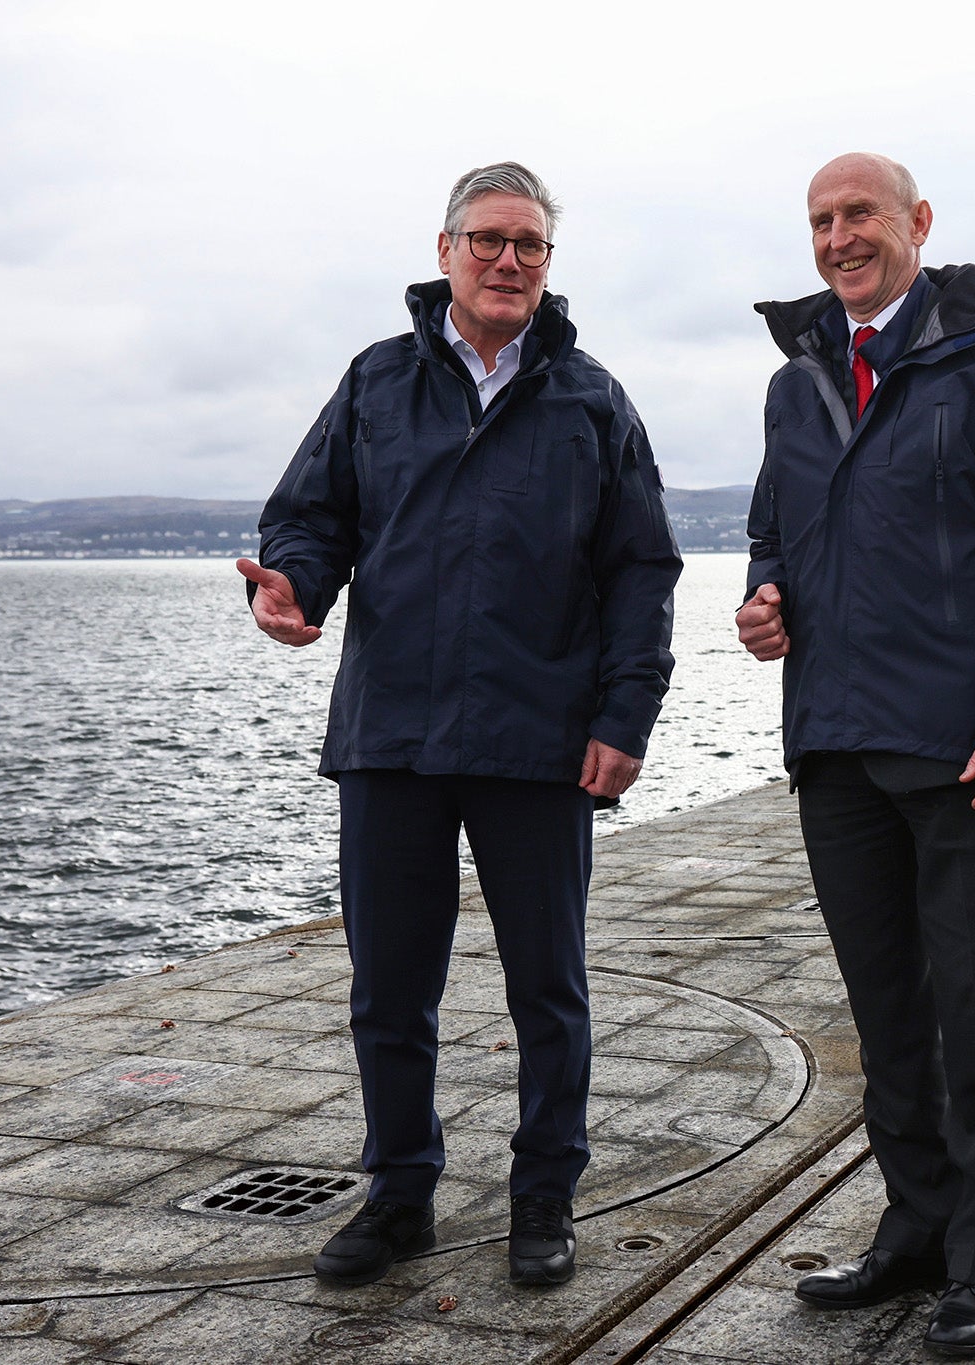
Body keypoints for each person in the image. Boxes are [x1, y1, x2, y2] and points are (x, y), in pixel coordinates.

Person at [239, 161, 682, 1290]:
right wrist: (290, 587)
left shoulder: (591, 399)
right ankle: (398, 1197)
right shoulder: (376, 383)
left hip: (538, 740)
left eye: (529, 245)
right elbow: (310, 517)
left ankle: (543, 1198)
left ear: (547, 264)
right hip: (392, 733)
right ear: (444, 252)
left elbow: (639, 570)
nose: (507, 262)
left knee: (550, 988)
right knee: (390, 991)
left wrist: (624, 715)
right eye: (488, 240)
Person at [735, 153, 975, 1356]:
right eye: (820, 221)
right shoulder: (797, 379)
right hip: (833, 741)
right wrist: (762, 598)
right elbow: (770, 527)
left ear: (916, 224)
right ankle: (914, 1226)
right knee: (886, 1009)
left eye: (859, 216)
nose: (839, 238)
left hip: (959, 746)